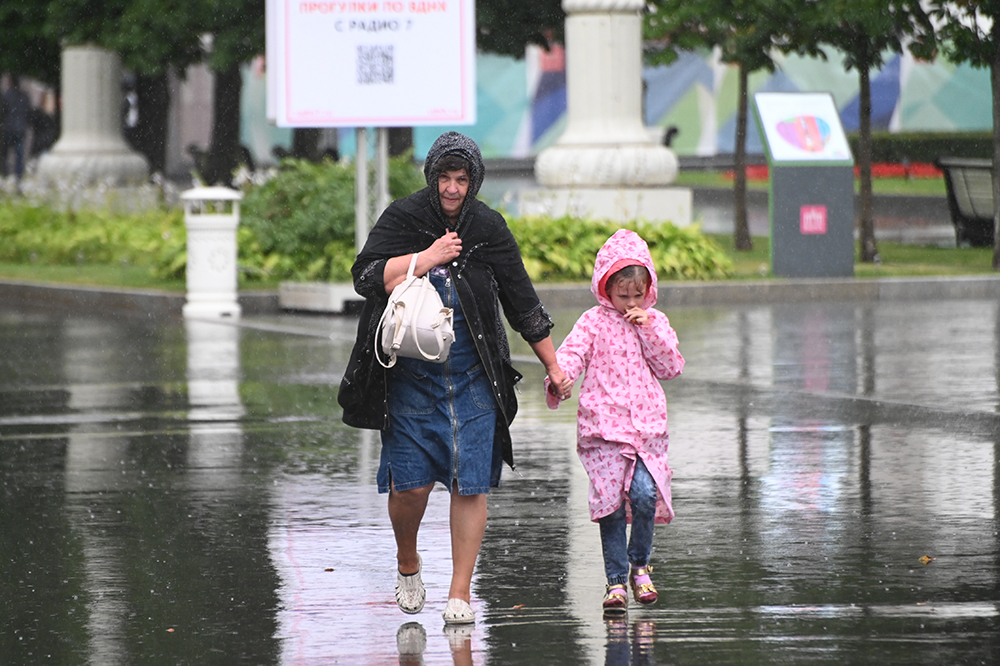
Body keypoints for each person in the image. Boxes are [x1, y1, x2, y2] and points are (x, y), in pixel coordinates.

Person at [338, 131, 569, 625]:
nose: (452, 188)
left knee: (471, 486)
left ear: (474, 181)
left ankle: (459, 593)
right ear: (432, 176)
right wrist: (427, 259)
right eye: (444, 177)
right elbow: (364, 276)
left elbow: (522, 302)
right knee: (410, 489)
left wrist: (552, 365)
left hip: (473, 379)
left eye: (461, 179)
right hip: (408, 382)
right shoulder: (404, 217)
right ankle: (408, 560)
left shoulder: (487, 227)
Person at [545, 229, 685, 615]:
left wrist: (649, 327)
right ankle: (615, 581)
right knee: (609, 505)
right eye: (622, 295)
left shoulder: (654, 322)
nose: (630, 303)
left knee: (643, 495)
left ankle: (639, 563)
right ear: (606, 288)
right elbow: (571, 353)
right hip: (603, 429)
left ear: (648, 291)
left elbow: (670, 366)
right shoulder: (594, 322)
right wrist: (560, 378)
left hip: (645, 430)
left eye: (637, 295)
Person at [1, 75, 32, 180]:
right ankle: (18, 176)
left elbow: (3, 111)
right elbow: (28, 112)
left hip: (8, 128)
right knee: (19, 154)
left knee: (5, 153)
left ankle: (5, 174)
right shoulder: (24, 96)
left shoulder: (6, 95)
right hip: (21, 128)